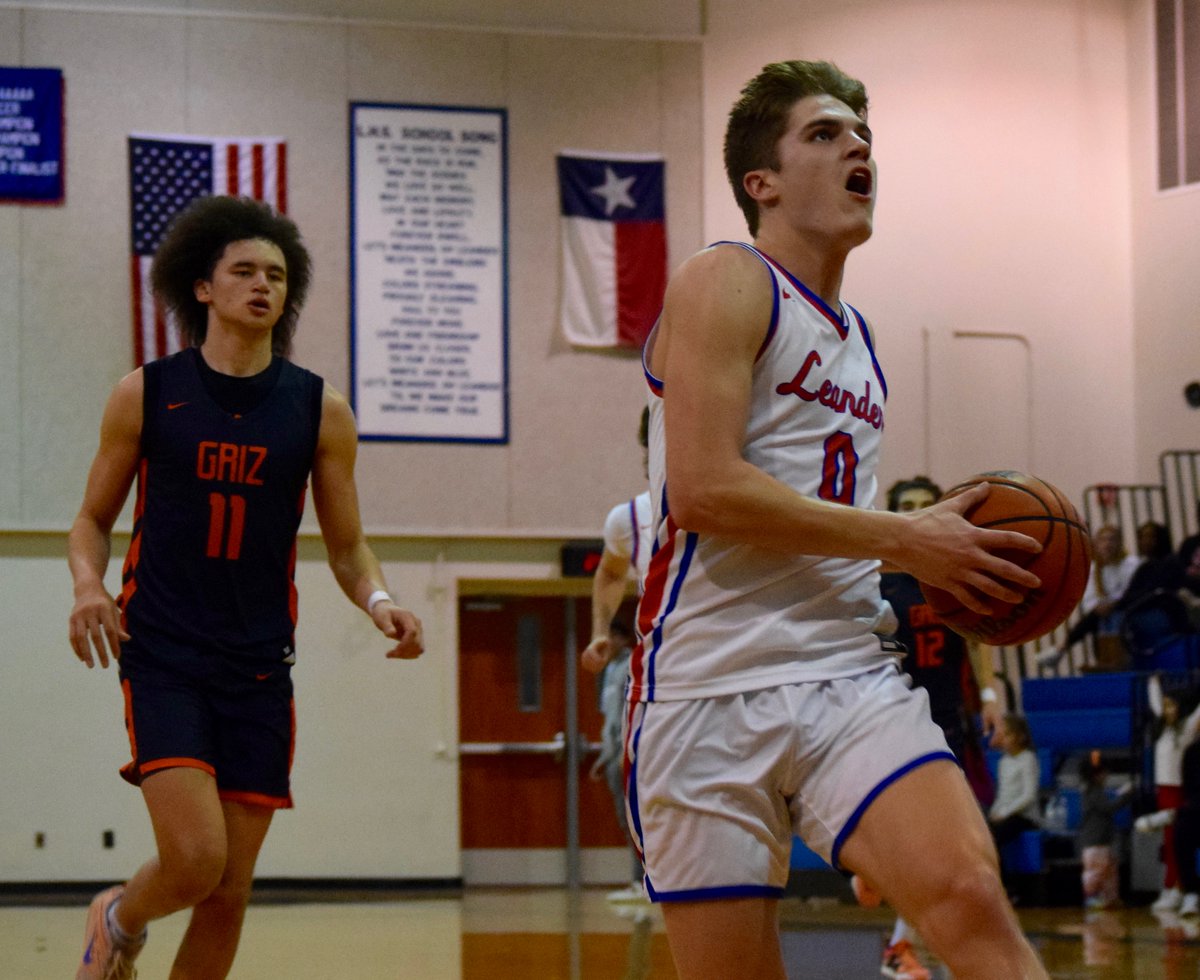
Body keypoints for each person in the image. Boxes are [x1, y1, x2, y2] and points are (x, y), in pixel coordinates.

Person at [629, 59, 1047, 979]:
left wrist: (921, 535)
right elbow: (703, 491)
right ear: (761, 182)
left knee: (972, 900)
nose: (857, 144)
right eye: (824, 133)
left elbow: (827, 511)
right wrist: (905, 538)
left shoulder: (859, 344)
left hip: (845, 674)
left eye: (861, 134)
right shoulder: (726, 278)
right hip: (705, 689)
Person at [66, 195, 424, 980]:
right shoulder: (148, 392)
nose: (264, 285)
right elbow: (90, 519)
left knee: (229, 892)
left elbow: (348, 545)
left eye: (277, 274)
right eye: (245, 271)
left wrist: (381, 601)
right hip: (162, 653)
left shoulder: (319, 409)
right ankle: (118, 918)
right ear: (203, 286)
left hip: (260, 666)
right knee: (195, 860)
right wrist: (89, 586)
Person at [875, 476, 1004, 980]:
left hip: (949, 719)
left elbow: (979, 636)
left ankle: (903, 945)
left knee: (955, 847)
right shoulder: (879, 581)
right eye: (909, 507)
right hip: (893, 718)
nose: (920, 513)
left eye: (929, 505)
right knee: (926, 848)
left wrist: (991, 697)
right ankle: (886, 910)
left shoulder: (956, 573)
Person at [581, 408, 653, 677]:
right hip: (665, 665)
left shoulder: (724, 504)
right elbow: (610, 573)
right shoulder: (629, 519)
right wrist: (600, 631)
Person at [589, 617, 646, 902]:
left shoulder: (631, 667)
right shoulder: (609, 670)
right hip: (614, 755)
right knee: (627, 822)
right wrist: (604, 756)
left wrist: (626, 753)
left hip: (630, 756)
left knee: (637, 821)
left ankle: (644, 882)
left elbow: (630, 717)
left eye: (610, 636)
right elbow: (610, 719)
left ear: (623, 639)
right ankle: (638, 881)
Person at [1035, 524, 1141, 669]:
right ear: (1096, 545)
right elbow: (1089, 598)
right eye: (1103, 540)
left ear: (1119, 543)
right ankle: (1105, 658)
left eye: (1112, 540)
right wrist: (1099, 606)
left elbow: (1130, 592)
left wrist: (1111, 604)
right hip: (1102, 614)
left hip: (1128, 608)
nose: (1107, 544)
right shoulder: (1093, 569)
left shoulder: (1131, 564)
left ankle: (1062, 648)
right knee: (1097, 619)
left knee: (1107, 618)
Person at [1077, 753, 1132, 910]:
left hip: (1102, 842)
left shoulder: (1094, 792)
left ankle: (1109, 898)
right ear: (1096, 775)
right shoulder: (1093, 793)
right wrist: (1126, 796)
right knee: (1096, 872)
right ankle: (1092, 897)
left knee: (1108, 871)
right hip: (1095, 843)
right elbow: (1109, 808)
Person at [987, 714, 1042, 856]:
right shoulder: (1003, 761)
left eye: (1008, 734)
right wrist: (996, 811)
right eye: (1002, 735)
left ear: (1020, 737)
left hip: (1024, 816)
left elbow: (1029, 795)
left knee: (995, 837)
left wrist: (1005, 813)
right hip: (1006, 813)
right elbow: (1002, 793)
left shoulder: (1028, 759)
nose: (1004, 739)